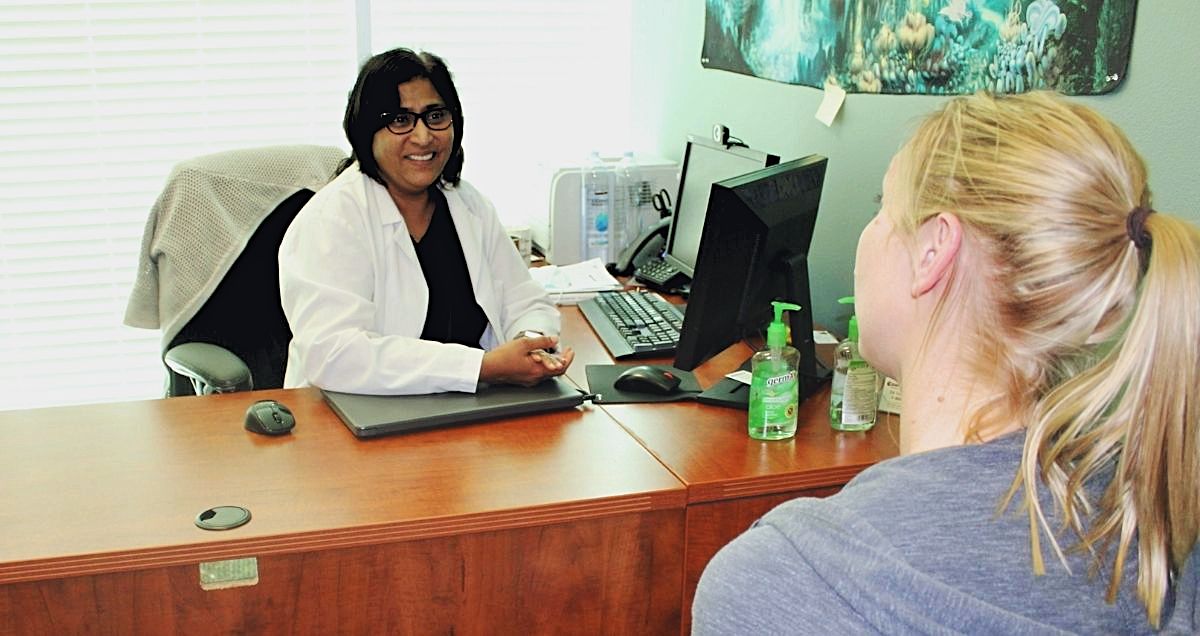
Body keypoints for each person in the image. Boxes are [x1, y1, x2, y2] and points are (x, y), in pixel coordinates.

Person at [693, 91, 1199, 633]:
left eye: (880, 207)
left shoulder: (783, 587)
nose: (869, 235)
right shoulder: (1153, 540)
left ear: (934, 251)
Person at [279, 48, 573, 394]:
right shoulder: (332, 219)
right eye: (400, 120)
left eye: (435, 116)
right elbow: (334, 354)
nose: (423, 137)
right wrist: (482, 368)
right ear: (366, 130)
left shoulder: (467, 204)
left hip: (464, 411)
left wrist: (530, 343)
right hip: (352, 418)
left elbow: (525, 299)